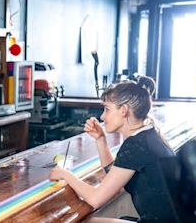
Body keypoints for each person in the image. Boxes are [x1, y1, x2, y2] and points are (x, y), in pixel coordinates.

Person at [49, 76, 176, 222]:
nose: (102, 116)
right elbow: (114, 177)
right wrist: (101, 140)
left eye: (107, 109)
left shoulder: (136, 145)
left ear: (123, 110)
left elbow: (95, 200)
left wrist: (65, 174)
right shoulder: (148, 135)